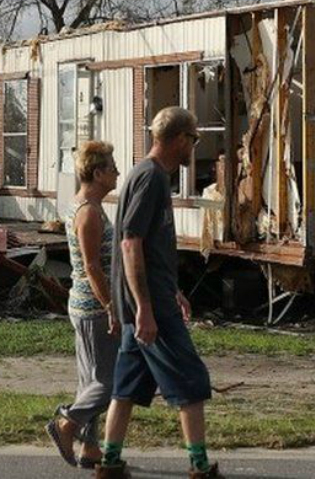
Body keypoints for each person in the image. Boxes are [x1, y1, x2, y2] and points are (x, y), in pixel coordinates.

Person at [96, 106, 221, 479]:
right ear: (179, 139)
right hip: (150, 307)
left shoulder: (146, 175)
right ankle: (199, 466)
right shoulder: (150, 178)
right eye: (193, 139)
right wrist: (146, 308)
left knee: (128, 387)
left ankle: (109, 462)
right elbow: (131, 243)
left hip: (152, 299)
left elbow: (149, 248)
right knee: (191, 382)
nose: (193, 147)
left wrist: (174, 289)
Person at [46, 140, 121, 469]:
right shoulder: (88, 212)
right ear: (99, 172)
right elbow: (92, 267)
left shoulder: (87, 205)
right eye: (113, 167)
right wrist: (110, 306)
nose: (118, 173)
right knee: (110, 383)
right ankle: (66, 423)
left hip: (84, 304)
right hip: (92, 308)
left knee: (91, 381)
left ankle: (90, 449)